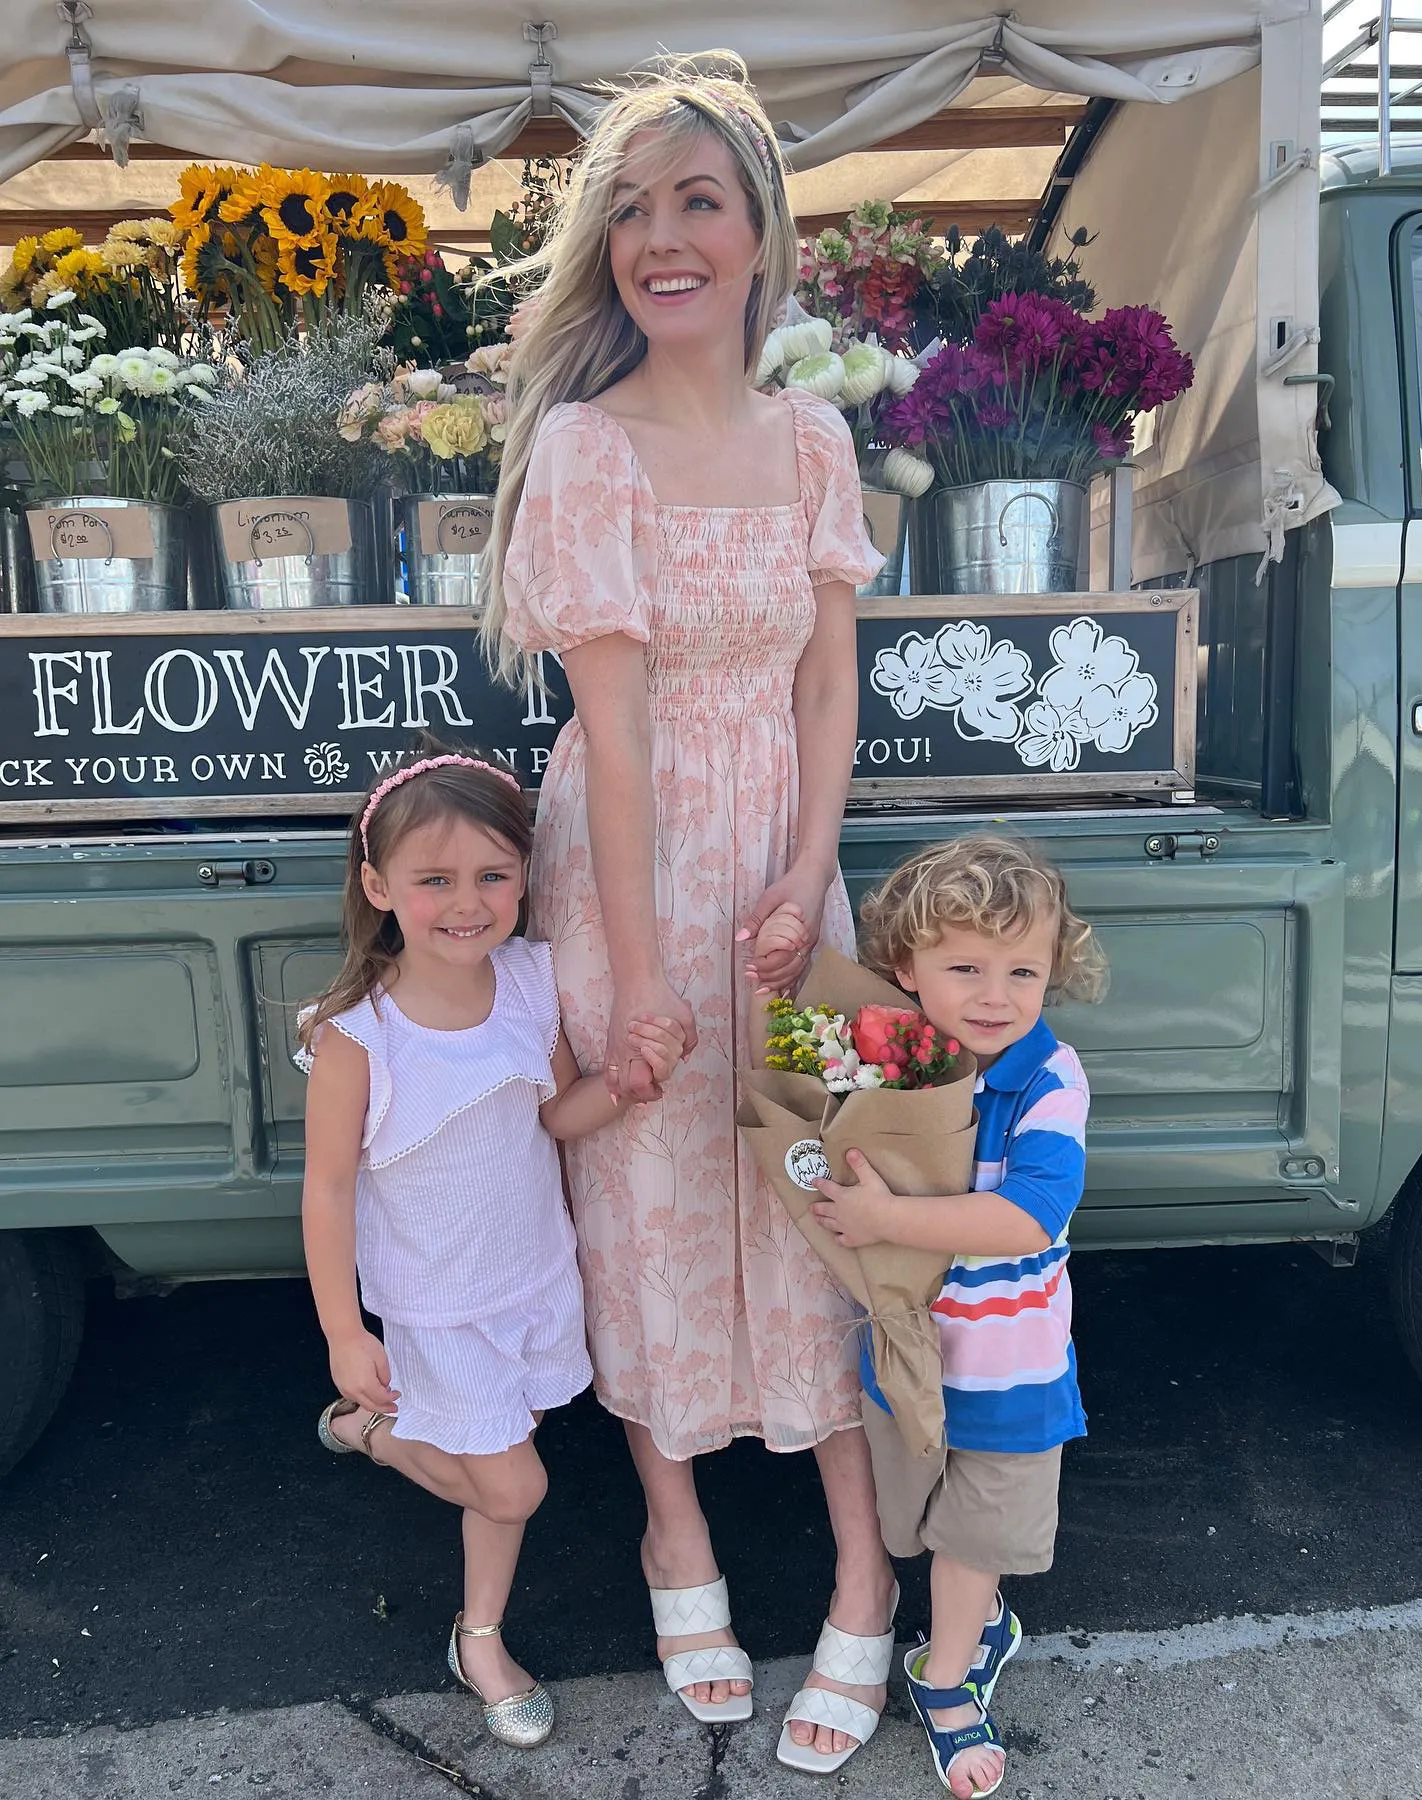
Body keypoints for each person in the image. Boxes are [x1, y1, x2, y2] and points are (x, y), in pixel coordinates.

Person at [483, 52, 896, 1773]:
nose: (662, 237)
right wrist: (641, 978)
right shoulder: (587, 449)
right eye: (632, 209)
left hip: (788, 870)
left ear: (759, 235)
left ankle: (867, 1573)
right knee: (646, 1183)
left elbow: (827, 686)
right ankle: (676, 1537)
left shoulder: (815, 438)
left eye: (697, 202)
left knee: (821, 1190)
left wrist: (807, 873)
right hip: (630, 870)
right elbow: (618, 724)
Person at [297, 743, 684, 1751]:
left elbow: (557, 1113)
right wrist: (343, 1332)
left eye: (491, 876)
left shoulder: (523, 981)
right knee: (514, 1485)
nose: (466, 902)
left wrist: (627, 1086)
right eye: (434, 880)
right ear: (379, 887)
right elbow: (327, 1191)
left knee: (502, 1465)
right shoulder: (359, 1035)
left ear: (522, 878)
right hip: (436, 1305)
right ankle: (391, 1462)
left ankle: (462, 1603)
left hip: (532, 1277)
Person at [809, 835, 1107, 1799]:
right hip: (910, 1353)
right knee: (920, 1524)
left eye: (1022, 970)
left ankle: (944, 1683)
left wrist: (888, 1220)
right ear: (907, 969)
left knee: (975, 1536)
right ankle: (981, 1625)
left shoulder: (1050, 1078)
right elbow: (809, 1109)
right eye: (965, 968)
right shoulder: (889, 1056)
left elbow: (1030, 1215)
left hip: (1014, 1364)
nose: (995, 995)